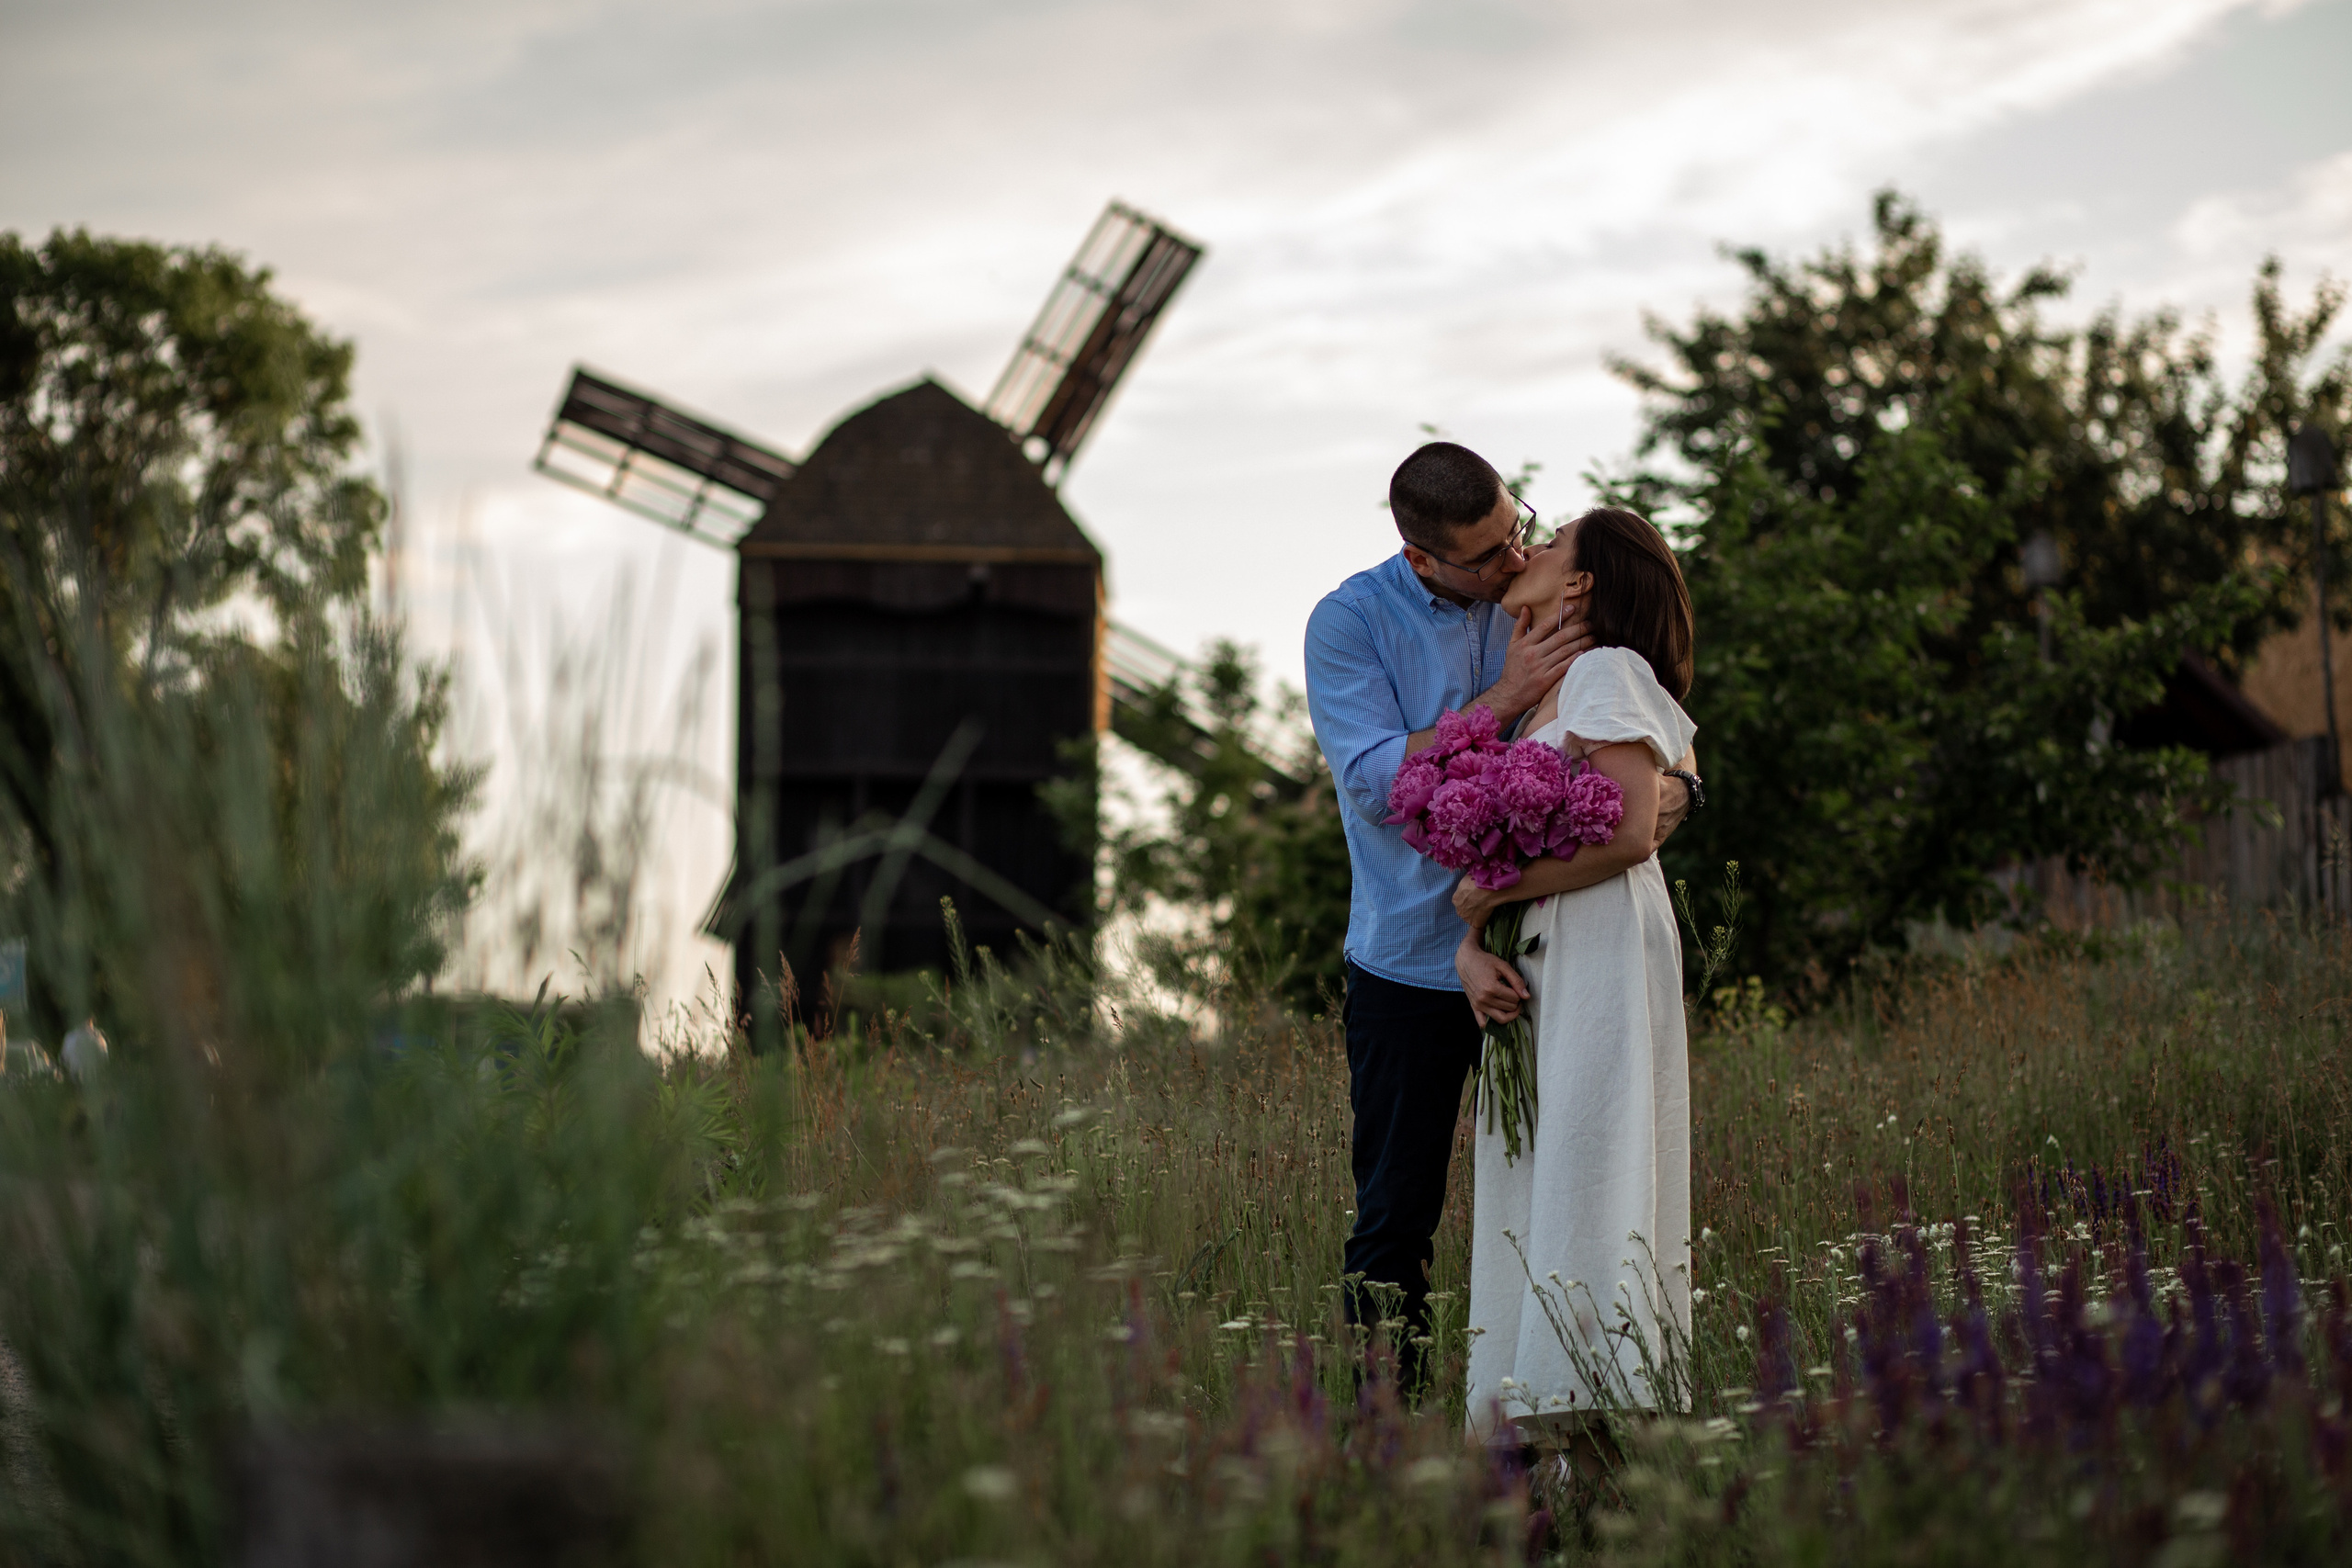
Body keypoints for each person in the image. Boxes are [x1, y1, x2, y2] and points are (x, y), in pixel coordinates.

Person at [1303, 444, 1696, 1389]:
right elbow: (1375, 787)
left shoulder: (1555, 604)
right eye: (1488, 554)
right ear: (1423, 559)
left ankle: (1560, 1387)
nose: (1515, 558)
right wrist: (1507, 696)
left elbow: (1648, 760)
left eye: (1520, 528)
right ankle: (1385, 1423)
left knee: (1559, 1171)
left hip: (1553, 951)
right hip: (1413, 962)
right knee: (1396, 1212)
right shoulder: (1350, 623)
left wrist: (1661, 806)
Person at [1449, 507, 1698, 1442]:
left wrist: (1486, 898)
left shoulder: (1606, 672)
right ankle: (1529, 1419)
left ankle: (1587, 1414)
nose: (1530, 551)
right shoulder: (1542, 700)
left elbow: (1633, 830)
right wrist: (1470, 949)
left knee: (1588, 1157)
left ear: (1584, 583)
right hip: (1537, 953)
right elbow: (1488, 873)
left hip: (1595, 941)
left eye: (1549, 543)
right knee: (1535, 1169)